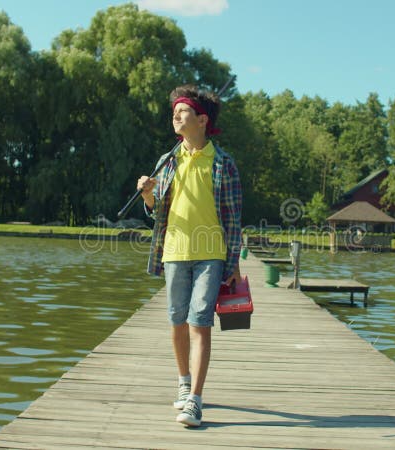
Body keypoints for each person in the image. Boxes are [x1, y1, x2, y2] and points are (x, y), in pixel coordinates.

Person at [136, 84, 243, 427]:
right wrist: (148, 196)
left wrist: (234, 264)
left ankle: (195, 400)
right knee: (176, 319)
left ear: (201, 120)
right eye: (174, 113)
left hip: (211, 254)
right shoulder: (167, 162)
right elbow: (156, 214)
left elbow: (233, 218)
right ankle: (183, 383)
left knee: (200, 320)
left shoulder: (223, 163)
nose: (175, 117)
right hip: (174, 252)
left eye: (182, 112)